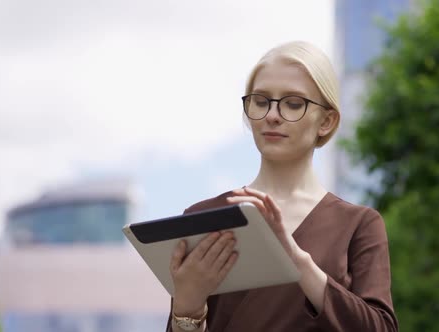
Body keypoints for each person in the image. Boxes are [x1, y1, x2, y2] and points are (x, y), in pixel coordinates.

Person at [165, 41, 398, 332]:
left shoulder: (359, 225)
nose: (272, 115)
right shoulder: (203, 217)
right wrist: (188, 308)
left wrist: (296, 260)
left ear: (326, 121)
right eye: (261, 101)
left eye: (293, 104)